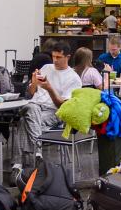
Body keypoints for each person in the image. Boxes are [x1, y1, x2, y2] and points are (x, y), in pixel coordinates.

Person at [10, 41, 82, 182]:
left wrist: (49, 88)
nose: (55, 60)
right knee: (31, 108)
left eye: (59, 57)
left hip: (54, 112)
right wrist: (34, 83)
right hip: (35, 106)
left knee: (24, 121)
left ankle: (18, 166)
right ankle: (37, 154)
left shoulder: (74, 78)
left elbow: (62, 105)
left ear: (68, 57)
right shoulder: (46, 67)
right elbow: (30, 94)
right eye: (54, 56)